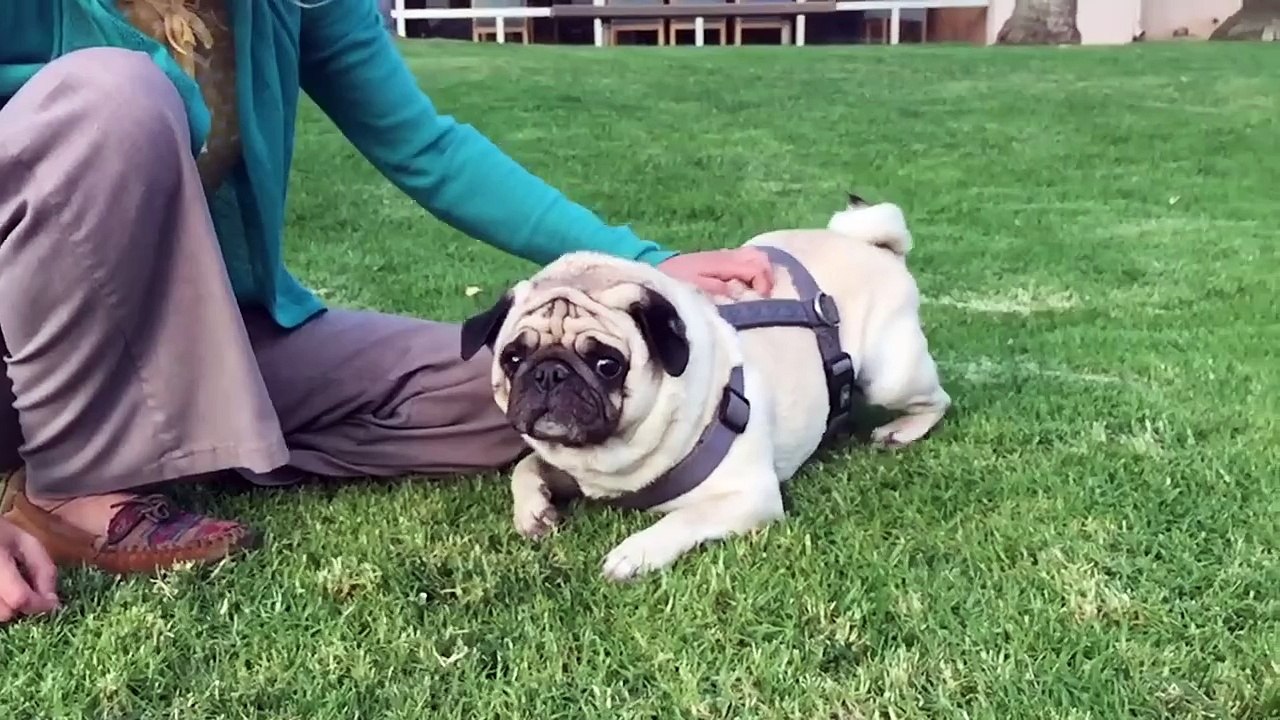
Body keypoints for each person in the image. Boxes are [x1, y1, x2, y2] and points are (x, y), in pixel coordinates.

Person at [0, 0, 774, 624]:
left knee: (495, 399)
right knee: (114, 100)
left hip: (212, 331)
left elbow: (426, 147)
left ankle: (195, 437)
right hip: (22, 352)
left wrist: (641, 262)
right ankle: (70, 488)